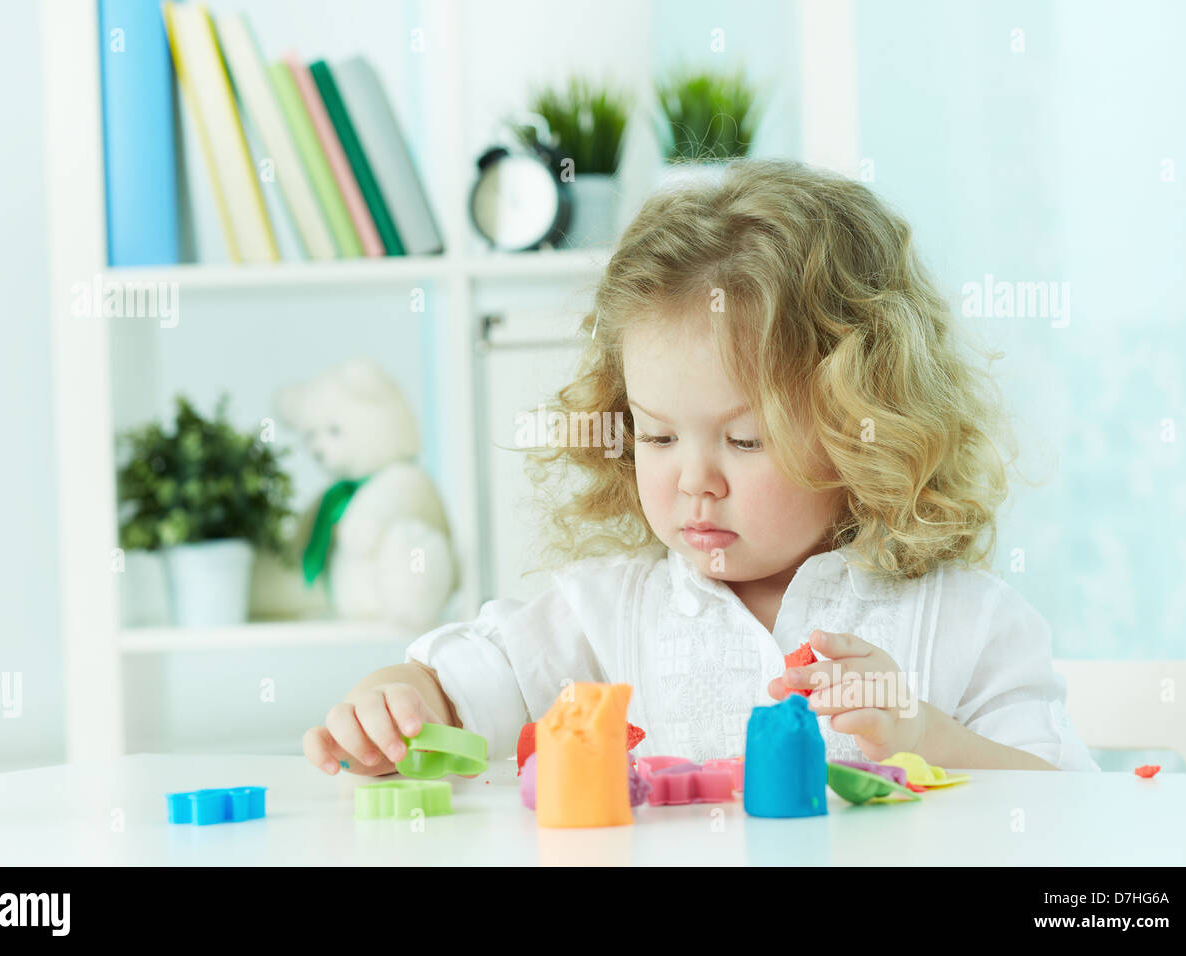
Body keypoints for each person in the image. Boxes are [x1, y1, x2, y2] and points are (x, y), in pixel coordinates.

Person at [303, 158, 1101, 777]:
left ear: (866, 429)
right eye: (657, 437)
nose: (694, 481)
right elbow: (469, 683)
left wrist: (923, 735)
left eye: (746, 441)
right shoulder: (600, 616)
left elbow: (1068, 808)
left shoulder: (969, 622)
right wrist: (397, 701)